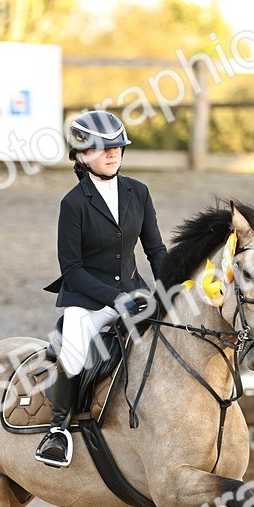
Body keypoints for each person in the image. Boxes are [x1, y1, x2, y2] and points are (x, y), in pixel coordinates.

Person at [36, 110, 168, 468]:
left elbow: (155, 250)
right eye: (102, 149)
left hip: (134, 292)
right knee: (75, 355)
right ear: (80, 156)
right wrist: (116, 300)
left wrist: (177, 285)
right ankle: (57, 431)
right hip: (88, 299)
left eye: (117, 147)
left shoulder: (138, 192)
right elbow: (72, 270)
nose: (113, 154)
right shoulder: (73, 203)